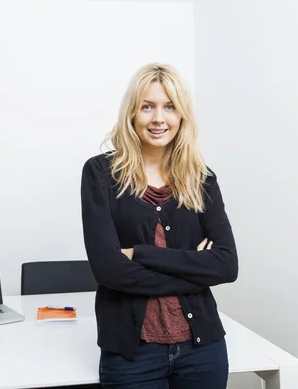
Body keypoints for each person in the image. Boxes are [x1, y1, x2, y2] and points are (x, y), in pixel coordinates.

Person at [80, 63, 238, 388]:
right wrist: (195, 272)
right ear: (132, 113)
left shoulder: (201, 180)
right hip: (132, 356)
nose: (158, 119)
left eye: (169, 107)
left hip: (202, 352)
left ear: (182, 116)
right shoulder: (100, 175)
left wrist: (138, 253)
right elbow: (108, 270)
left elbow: (225, 265)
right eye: (147, 106)